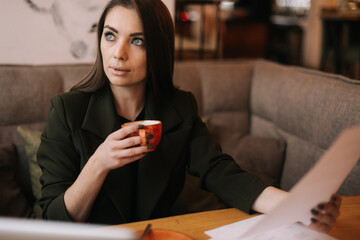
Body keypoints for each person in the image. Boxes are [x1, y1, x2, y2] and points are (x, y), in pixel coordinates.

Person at [37, 0, 341, 232]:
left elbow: (219, 171)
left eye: (137, 40)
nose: (118, 53)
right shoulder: (67, 111)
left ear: (158, 50)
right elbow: (54, 218)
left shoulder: (179, 107)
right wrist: (99, 163)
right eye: (110, 35)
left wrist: (296, 207)